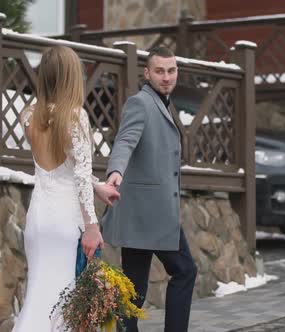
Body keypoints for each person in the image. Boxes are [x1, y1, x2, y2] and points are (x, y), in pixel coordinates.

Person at [12, 45, 120, 332]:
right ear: (71, 76)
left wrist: (97, 187)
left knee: (37, 299)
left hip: (38, 219)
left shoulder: (28, 115)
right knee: (63, 306)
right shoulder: (75, 117)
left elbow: (61, 171)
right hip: (65, 221)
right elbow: (80, 175)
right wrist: (93, 227)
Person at [102, 46, 197, 332]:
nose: (166, 77)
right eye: (160, 71)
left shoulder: (163, 103)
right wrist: (116, 170)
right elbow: (125, 140)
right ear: (147, 73)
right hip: (150, 213)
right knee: (184, 270)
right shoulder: (140, 103)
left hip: (144, 213)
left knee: (134, 288)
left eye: (171, 70)